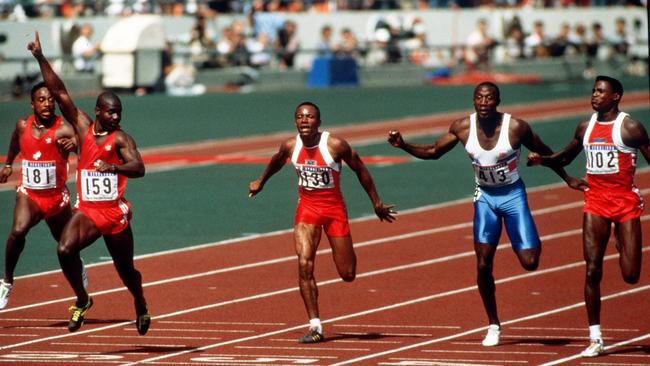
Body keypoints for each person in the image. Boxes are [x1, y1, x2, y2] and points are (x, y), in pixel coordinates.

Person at [388, 82, 585, 347]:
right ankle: (493, 324)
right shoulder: (461, 127)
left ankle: (529, 240)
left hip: (513, 195)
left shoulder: (516, 127)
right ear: (473, 100)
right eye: (479, 98)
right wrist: (403, 145)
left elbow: (547, 152)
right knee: (482, 263)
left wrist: (567, 178)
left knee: (530, 261)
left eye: (489, 98)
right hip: (486, 198)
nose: (484, 102)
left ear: (497, 101)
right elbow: (434, 152)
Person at [28, 32, 150, 334]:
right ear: (98, 111)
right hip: (89, 211)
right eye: (111, 112)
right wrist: (40, 57)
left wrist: (115, 167)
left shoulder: (121, 138)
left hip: (114, 213)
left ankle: (140, 301)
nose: (116, 117)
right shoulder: (82, 127)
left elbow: (139, 167)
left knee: (126, 273)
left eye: (119, 112)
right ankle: (82, 299)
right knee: (64, 249)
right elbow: (59, 91)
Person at [249, 102, 396, 343]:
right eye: (299, 117)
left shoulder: (335, 145)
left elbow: (360, 170)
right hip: (307, 210)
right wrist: (261, 181)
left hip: (334, 211)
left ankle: (340, 260)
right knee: (304, 264)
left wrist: (376, 203)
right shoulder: (289, 145)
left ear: (319, 121)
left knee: (348, 274)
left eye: (309, 117)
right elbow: (276, 161)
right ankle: (315, 326)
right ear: (295, 121)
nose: (304, 121)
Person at [528, 76, 649, 358]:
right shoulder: (586, 127)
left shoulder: (630, 127)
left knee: (631, 276)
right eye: (594, 90)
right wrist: (542, 160)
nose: (595, 95)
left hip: (625, 202)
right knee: (592, 269)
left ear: (616, 96)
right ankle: (595, 337)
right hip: (595, 201)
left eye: (601, 91)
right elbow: (565, 158)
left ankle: (620, 234)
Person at [0, 82, 87, 309]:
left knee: (67, 246)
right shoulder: (22, 125)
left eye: (50, 100)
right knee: (18, 231)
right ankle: (7, 281)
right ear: (32, 104)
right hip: (29, 194)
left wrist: (76, 144)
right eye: (41, 100)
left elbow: (88, 147)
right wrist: (9, 164)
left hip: (56, 199)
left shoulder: (63, 129)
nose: (47, 104)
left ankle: (79, 270)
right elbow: (14, 142)